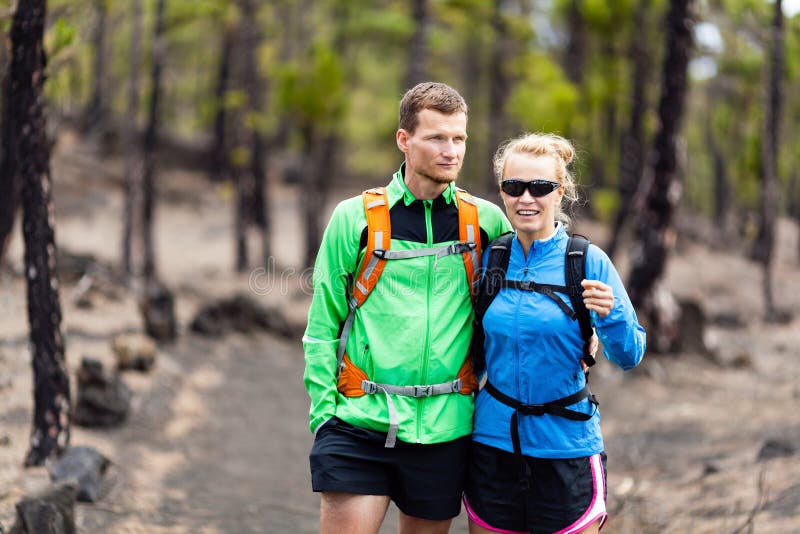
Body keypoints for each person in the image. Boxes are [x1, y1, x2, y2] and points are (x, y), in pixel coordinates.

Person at [303, 82, 512, 534]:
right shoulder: (353, 218)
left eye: (459, 139)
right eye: (437, 137)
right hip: (359, 422)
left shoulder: (487, 222)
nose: (451, 151)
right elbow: (322, 326)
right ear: (404, 140)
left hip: (446, 430)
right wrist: (324, 415)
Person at [464, 132, 646, 534]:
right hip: (493, 444)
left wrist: (611, 315)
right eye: (514, 187)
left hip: (566, 447)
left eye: (540, 187)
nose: (526, 198)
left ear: (560, 192)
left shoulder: (586, 261)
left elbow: (630, 354)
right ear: (502, 192)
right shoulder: (490, 259)